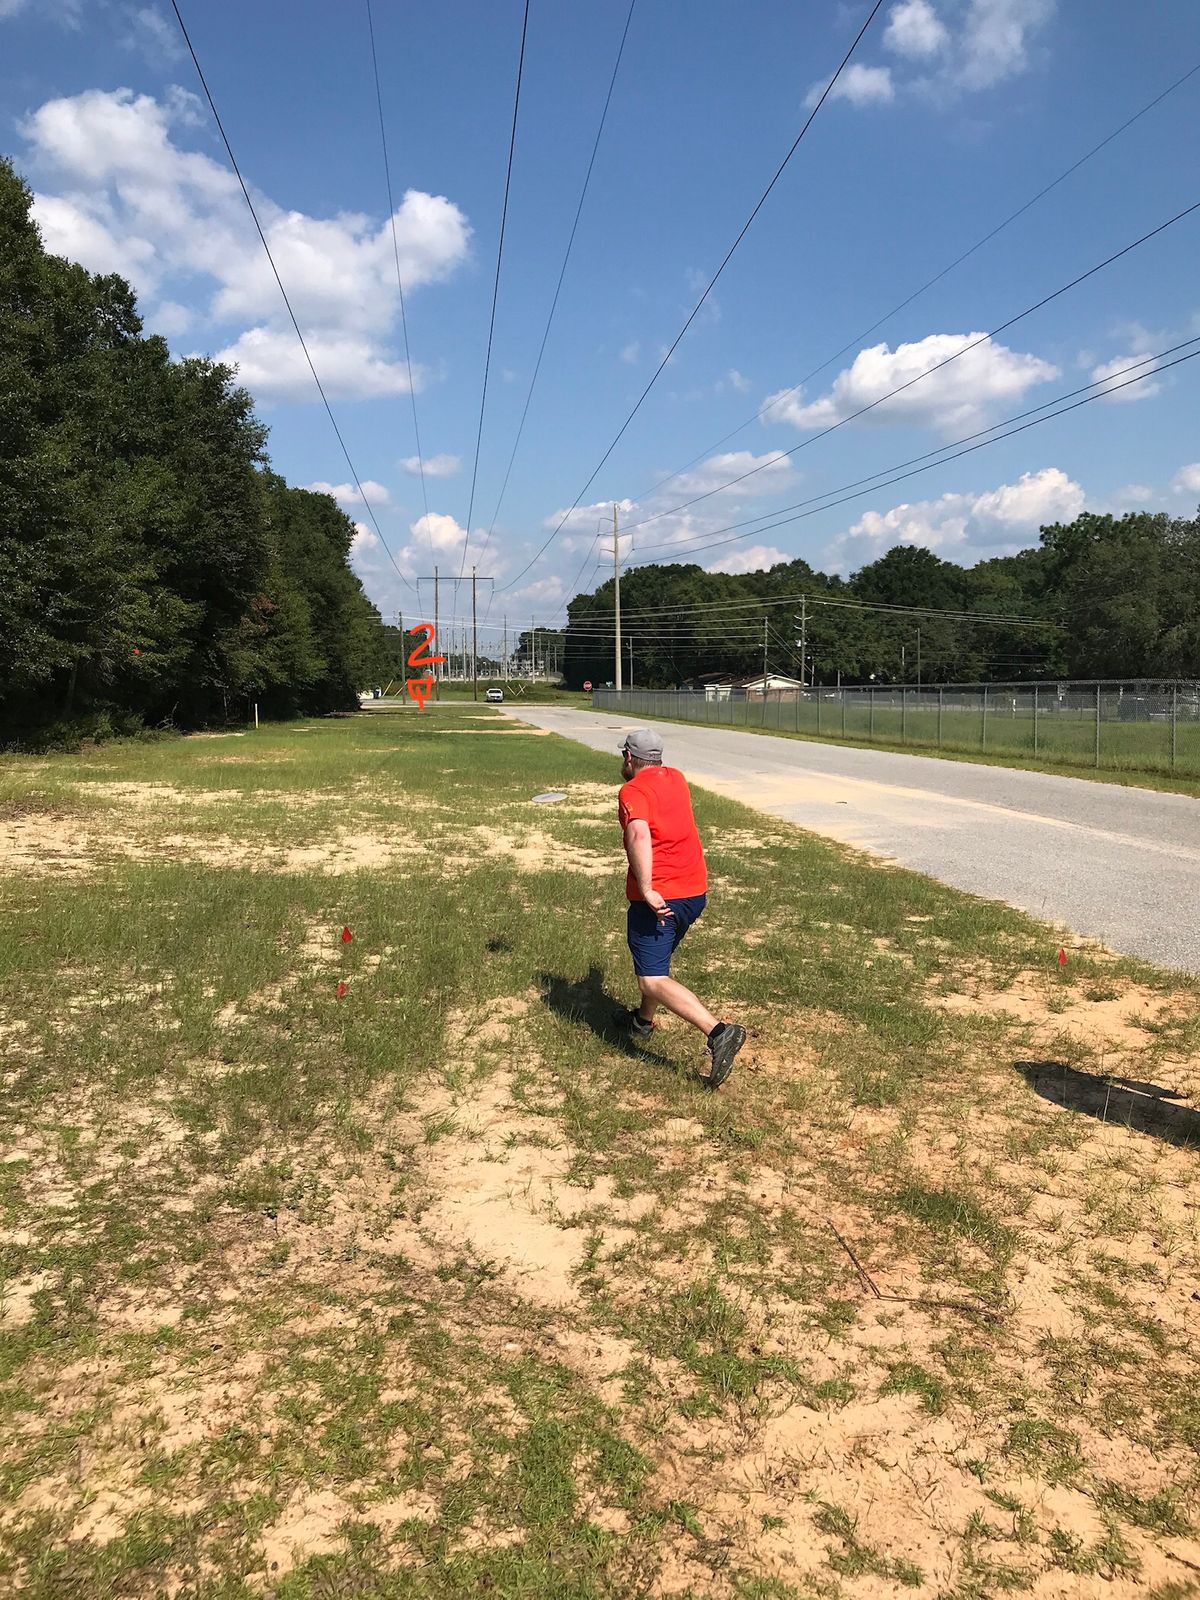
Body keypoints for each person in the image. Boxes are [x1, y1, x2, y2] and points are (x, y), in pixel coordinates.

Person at [615, 728, 745, 1087]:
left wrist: (647, 888)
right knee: (655, 963)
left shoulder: (632, 790)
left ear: (629, 758)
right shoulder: (677, 778)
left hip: (662, 899)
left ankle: (719, 1032)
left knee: (652, 977)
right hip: (694, 893)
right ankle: (642, 1022)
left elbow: (639, 834)